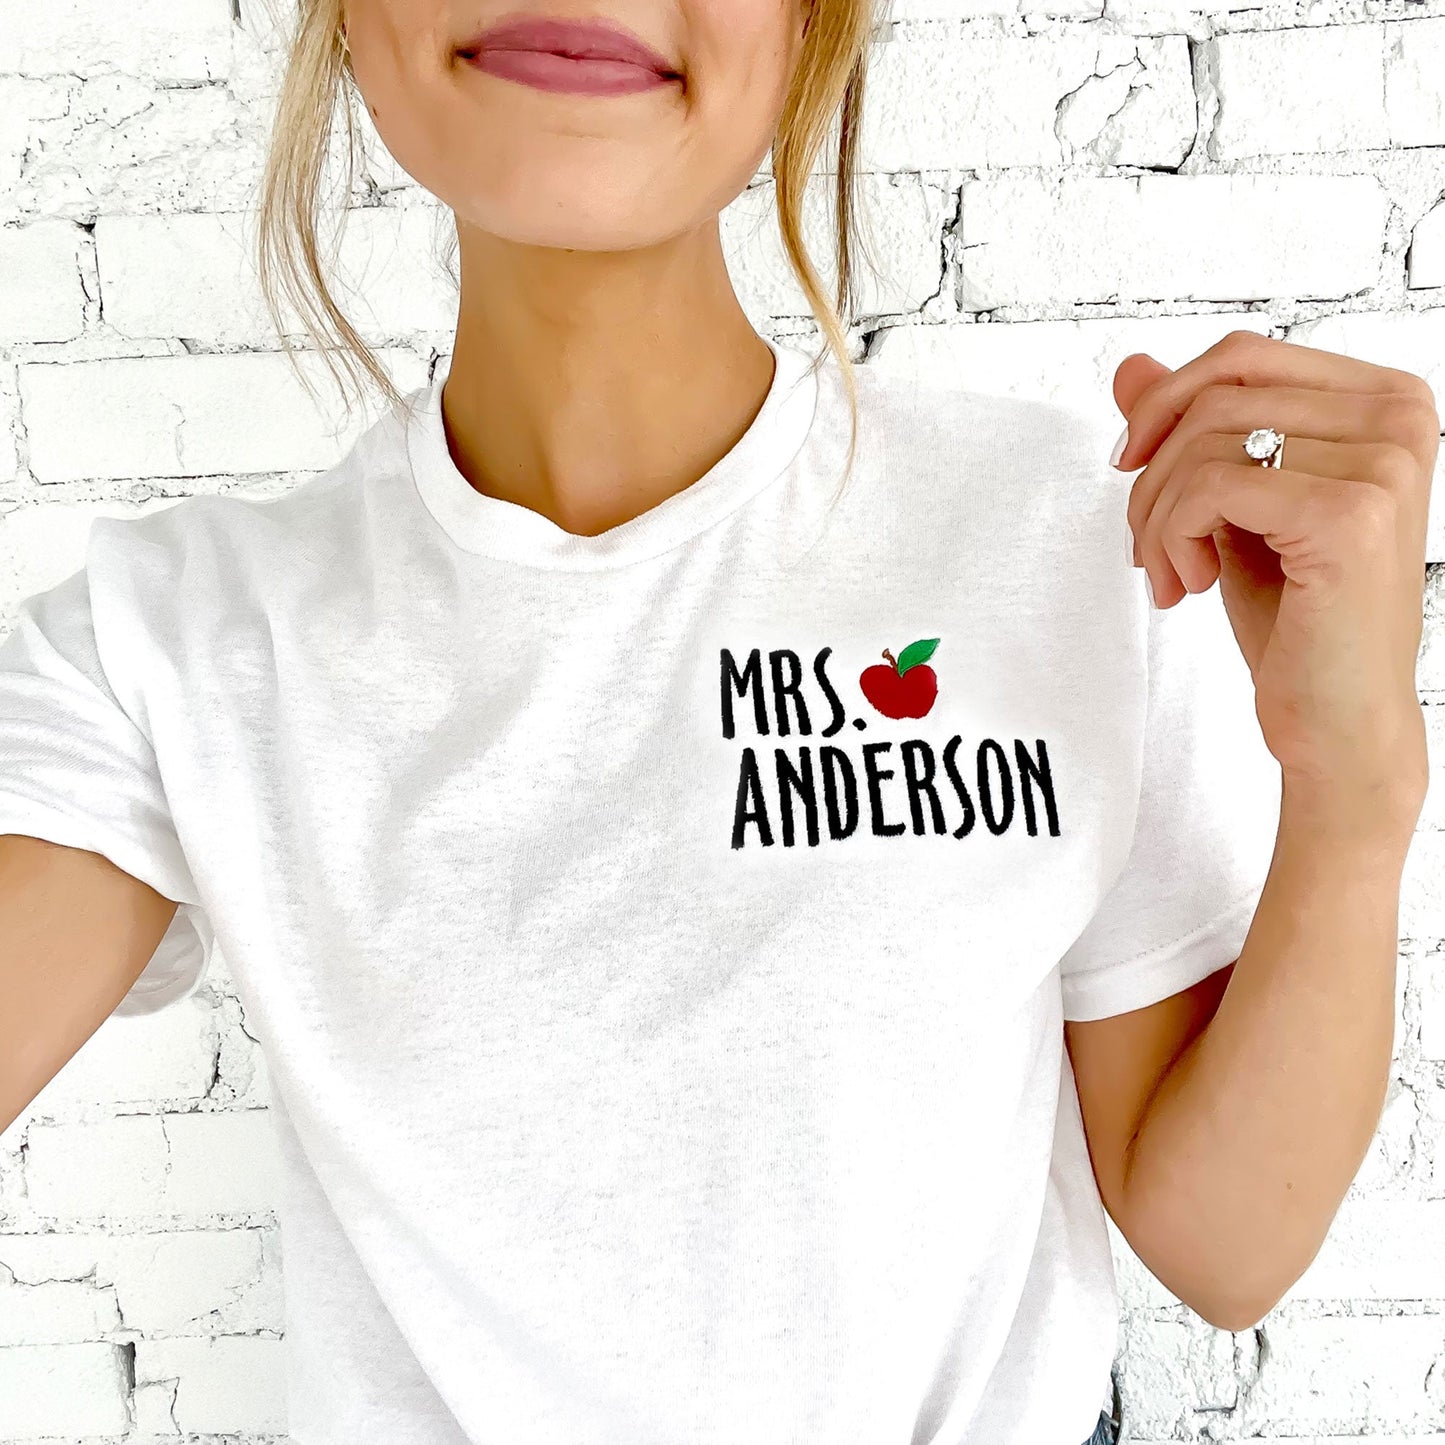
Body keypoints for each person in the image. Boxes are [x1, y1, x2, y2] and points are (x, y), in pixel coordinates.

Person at [7, 0, 1424, 1442]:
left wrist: (1355, 786)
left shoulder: (1065, 542)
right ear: (345, 25)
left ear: (808, 36)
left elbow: (1226, 1247)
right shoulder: (169, 646)